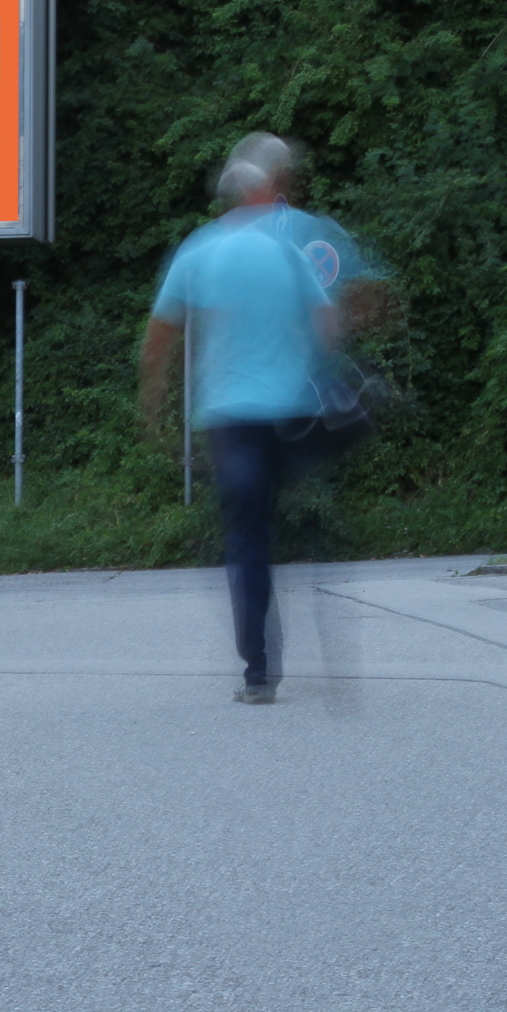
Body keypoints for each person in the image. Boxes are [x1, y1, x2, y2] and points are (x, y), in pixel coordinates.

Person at [139, 132, 343, 705]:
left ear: (228, 197)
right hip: (292, 417)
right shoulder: (286, 253)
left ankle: (259, 671)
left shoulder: (199, 251)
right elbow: (327, 326)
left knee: (246, 538)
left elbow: (159, 340)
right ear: (266, 192)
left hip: (232, 420)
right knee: (287, 519)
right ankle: (317, 560)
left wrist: (152, 408)